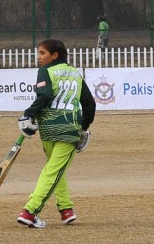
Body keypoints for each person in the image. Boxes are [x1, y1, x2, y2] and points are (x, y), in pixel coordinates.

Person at [14, 38, 96, 228]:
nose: (39, 57)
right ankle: (30, 211)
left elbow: (44, 96)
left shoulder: (46, 71)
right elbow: (89, 104)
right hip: (69, 129)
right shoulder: (75, 73)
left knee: (55, 169)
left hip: (48, 129)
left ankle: (66, 209)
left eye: (42, 53)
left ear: (54, 55)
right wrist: (84, 127)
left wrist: (28, 116)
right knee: (54, 170)